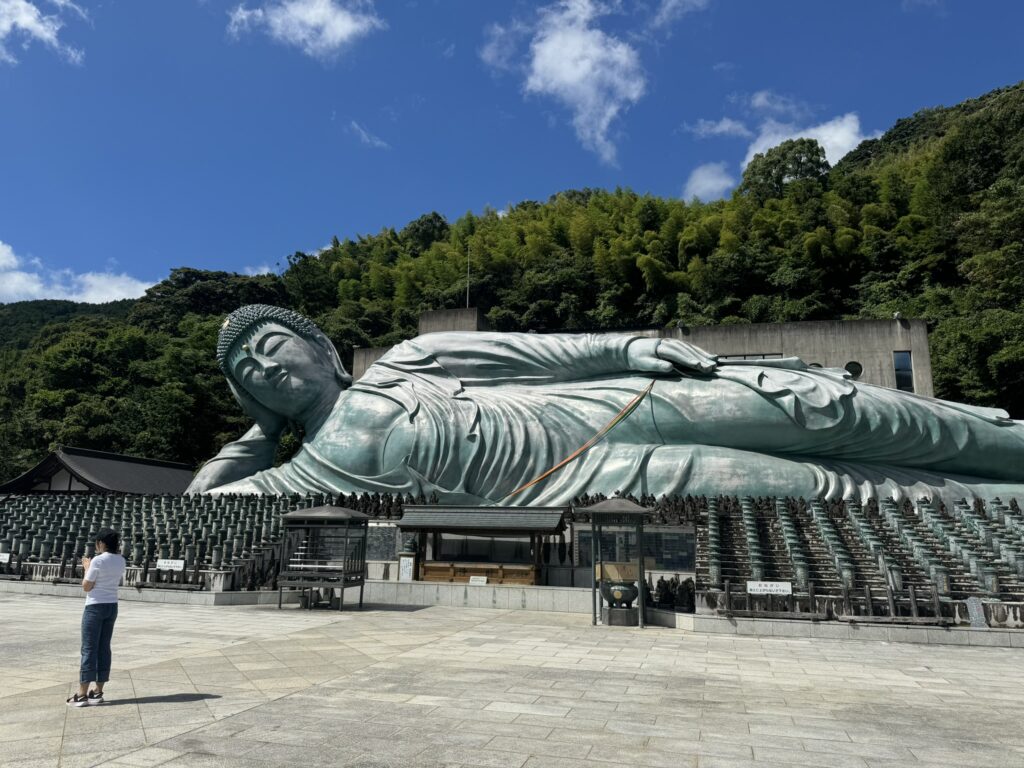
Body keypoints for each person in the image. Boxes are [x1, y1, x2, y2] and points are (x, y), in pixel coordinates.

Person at [187, 304, 1024, 504]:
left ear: (326, 348)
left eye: (273, 348)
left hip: (619, 405)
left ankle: (1007, 444)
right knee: (812, 488)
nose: (267, 369)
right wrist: (262, 435)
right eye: (249, 375)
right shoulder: (309, 472)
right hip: (601, 478)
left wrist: (626, 347)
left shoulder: (409, 359)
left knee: (826, 412)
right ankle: (1002, 499)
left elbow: (537, 353)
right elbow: (200, 505)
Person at [67, 528, 126, 707]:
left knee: (89, 648)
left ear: (101, 543)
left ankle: (82, 693)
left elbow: (87, 586)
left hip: (94, 606)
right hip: (112, 606)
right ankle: (98, 691)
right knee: (103, 648)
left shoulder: (98, 560)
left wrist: (87, 567)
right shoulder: (121, 560)